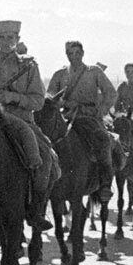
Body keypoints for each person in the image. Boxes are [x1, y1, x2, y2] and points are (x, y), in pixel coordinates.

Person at [0, 20, 54, 231]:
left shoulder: (29, 66)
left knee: (43, 156)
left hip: (20, 120)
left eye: (10, 37)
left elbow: (38, 101)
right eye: (1, 37)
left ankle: (35, 209)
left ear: (17, 39)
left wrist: (12, 97)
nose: (5, 41)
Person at [48, 40, 117, 201]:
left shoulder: (94, 72)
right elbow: (50, 97)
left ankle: (105, 184)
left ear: (83, 53)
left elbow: (111, 93)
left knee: (103, 140)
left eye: (77, 53)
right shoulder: (59, 74)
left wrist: (101, 110)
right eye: (70, 53)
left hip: (89, 117)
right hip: (65, 117)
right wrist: (64, 103)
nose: (74, 56)